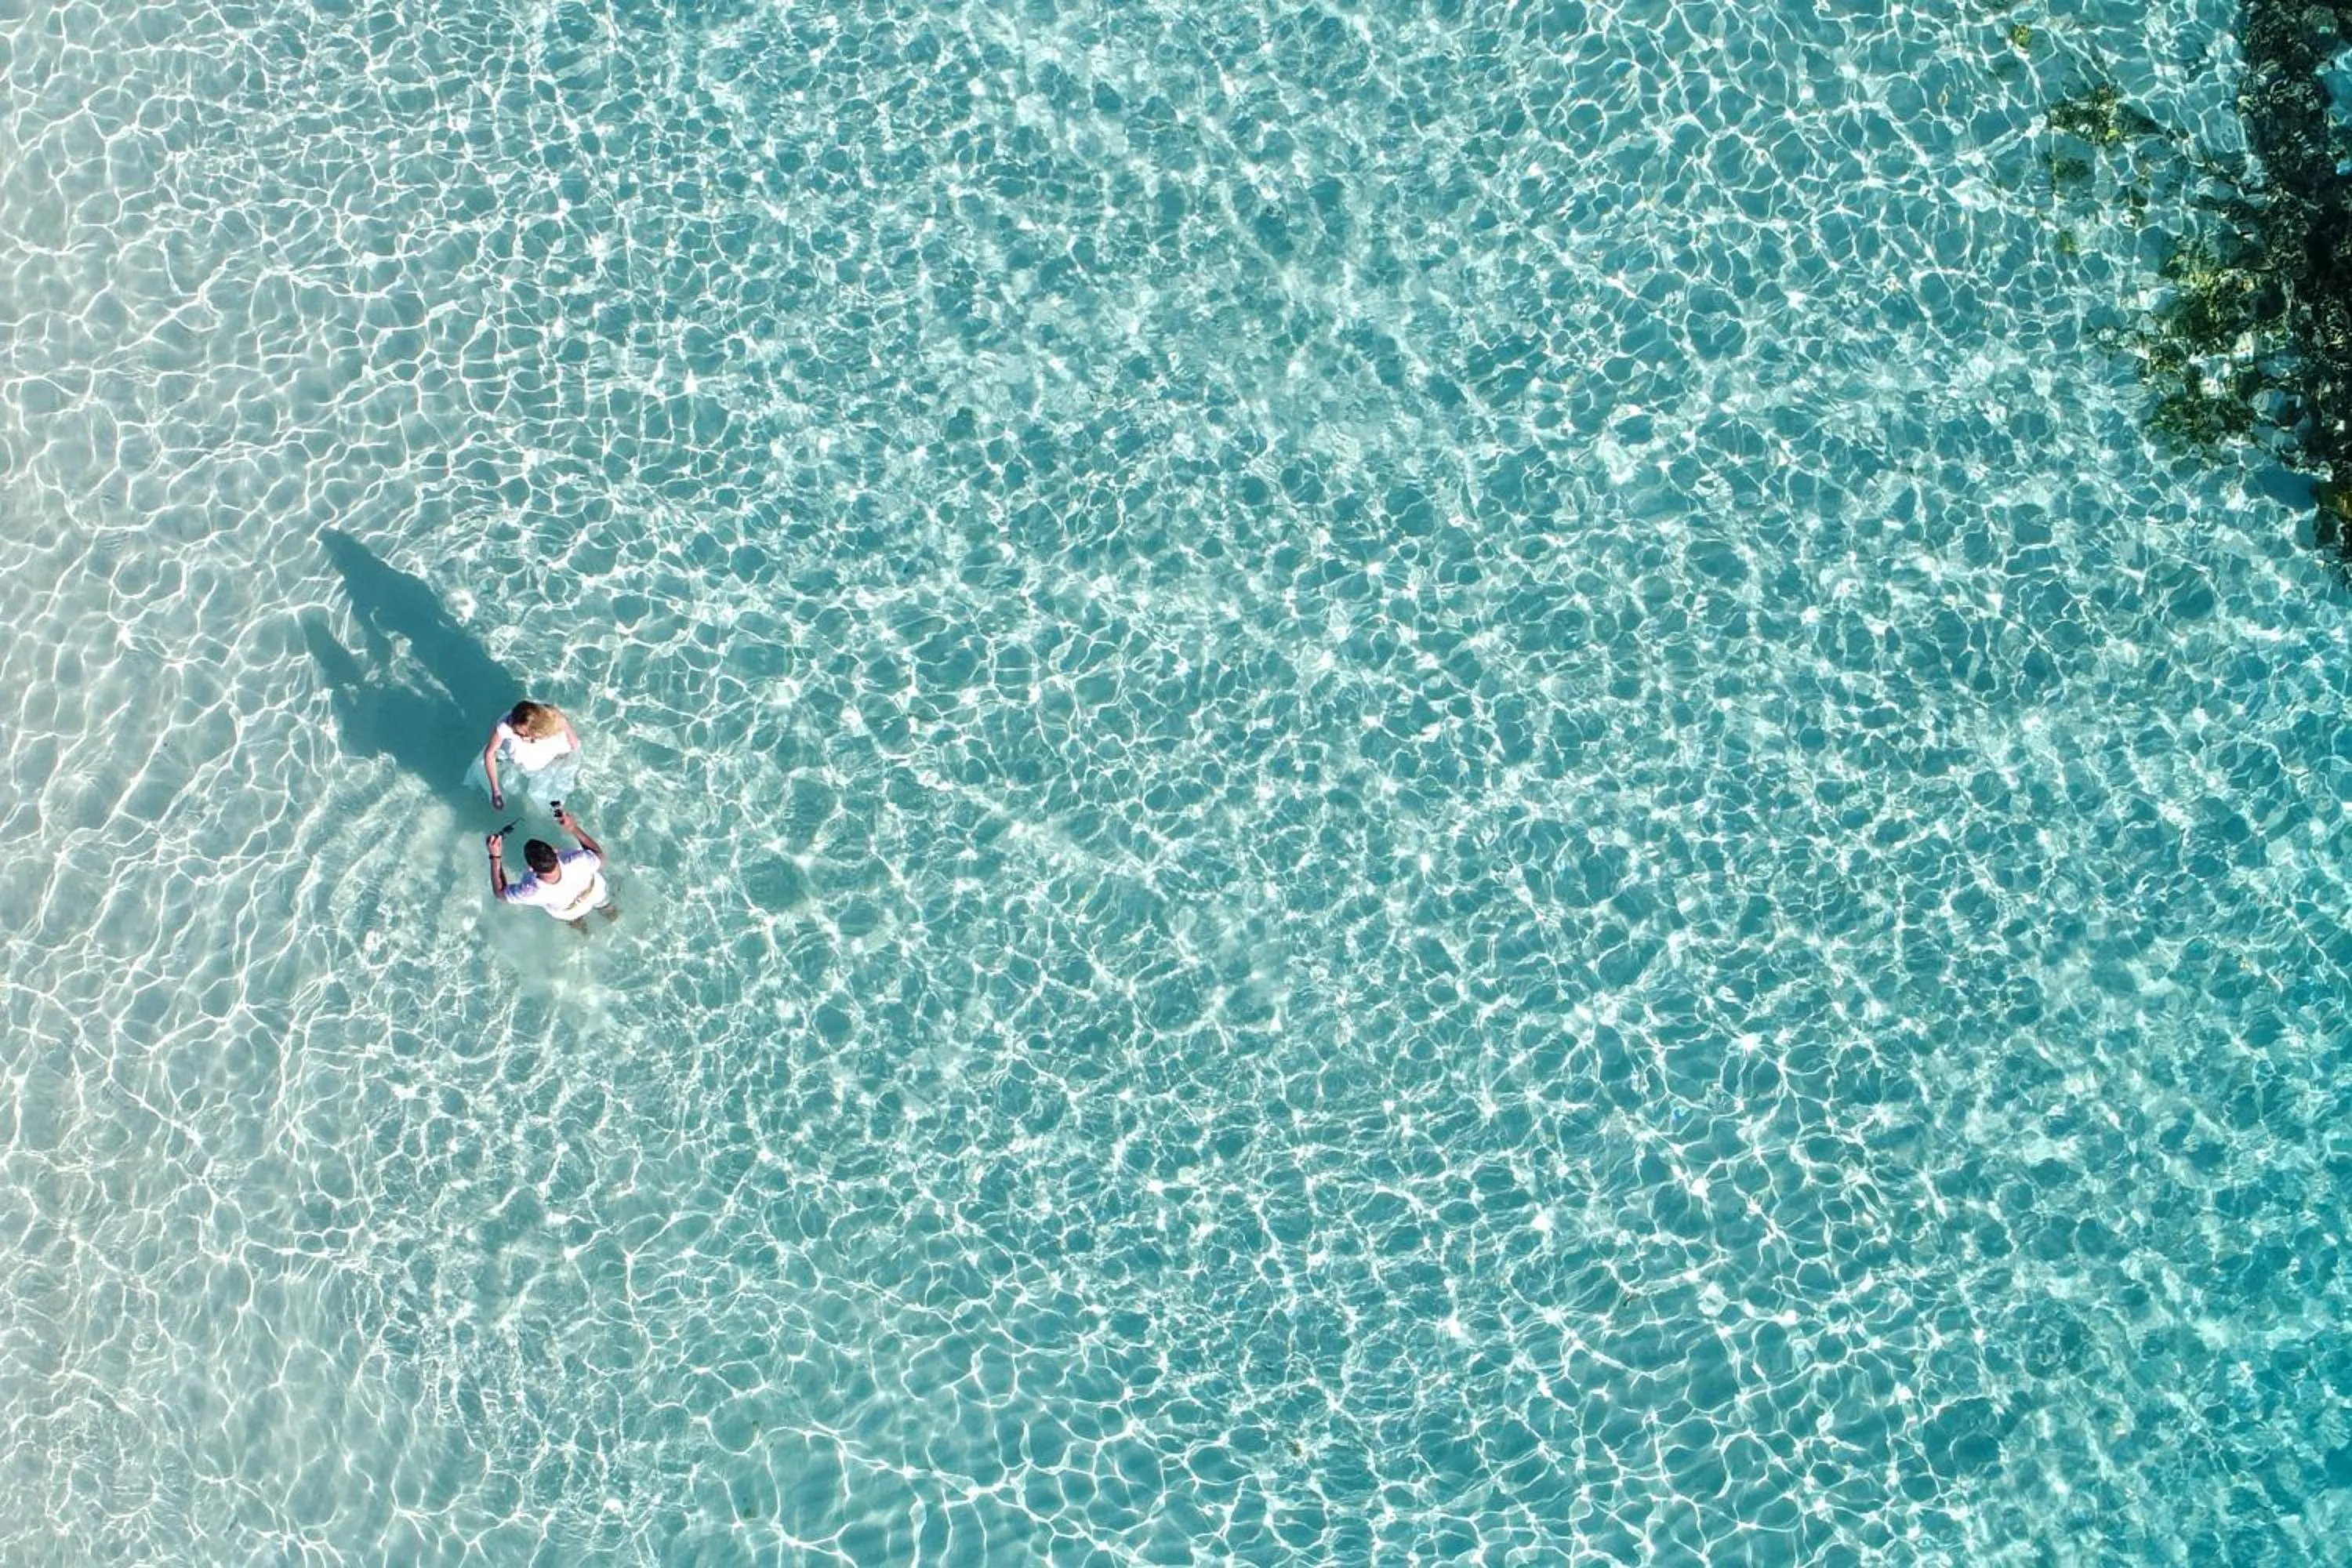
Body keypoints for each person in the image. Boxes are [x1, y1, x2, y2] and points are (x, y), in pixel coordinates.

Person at [488, 804, 619, 932]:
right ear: (555, 852)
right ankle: (614, 919)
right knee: (606, 907)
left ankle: (585, 932)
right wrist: (573, 828)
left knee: (575, 921)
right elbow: (600, 857)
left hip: (569, 911)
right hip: (594, 892)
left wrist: (495, 856)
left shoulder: (532, 890)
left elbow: (500, 894)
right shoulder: (578, 861)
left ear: (531, 868)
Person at [479, 701, 582, 810]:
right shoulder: (504, 726)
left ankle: (555, 756)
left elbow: (565, 727)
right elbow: (489, 754)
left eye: (524, 734)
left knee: (562, 747)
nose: (522, 737)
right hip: (518, 745)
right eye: (517, 732)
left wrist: (573, 743)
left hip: (539, 733)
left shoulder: (547, 716)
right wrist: (496, 791)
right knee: (516, 758)